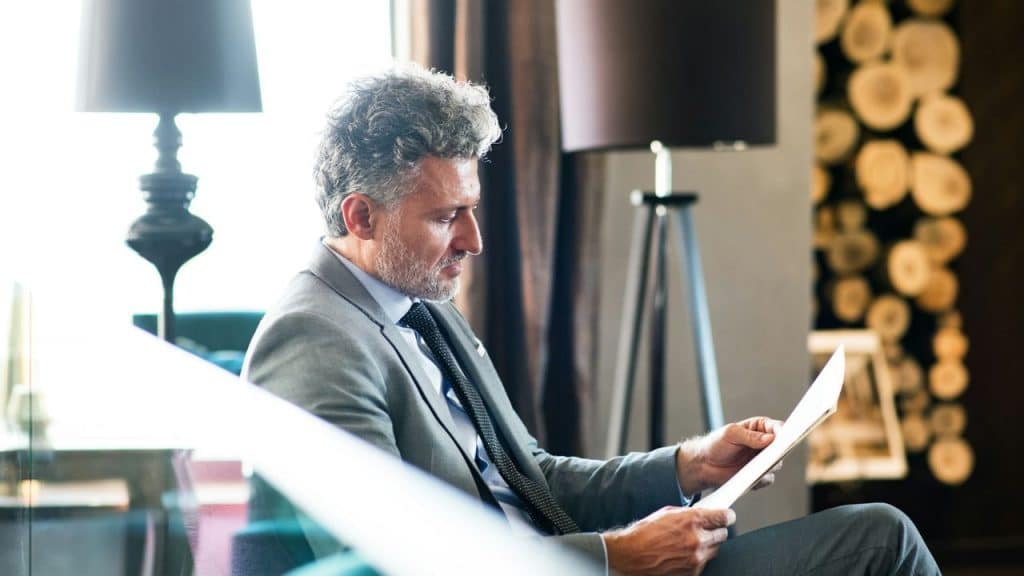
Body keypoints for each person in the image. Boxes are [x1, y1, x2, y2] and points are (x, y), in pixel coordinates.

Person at [242, 65, 939, 575]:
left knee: (878, 533)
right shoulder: (314, 341)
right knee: (879, 546)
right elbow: (390, 559)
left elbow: (533, 480)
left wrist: (688, 466)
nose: (473, 240)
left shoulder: (420, 303)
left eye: (471, 208)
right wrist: (618, 559)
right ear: (360, 215)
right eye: (444, 216)